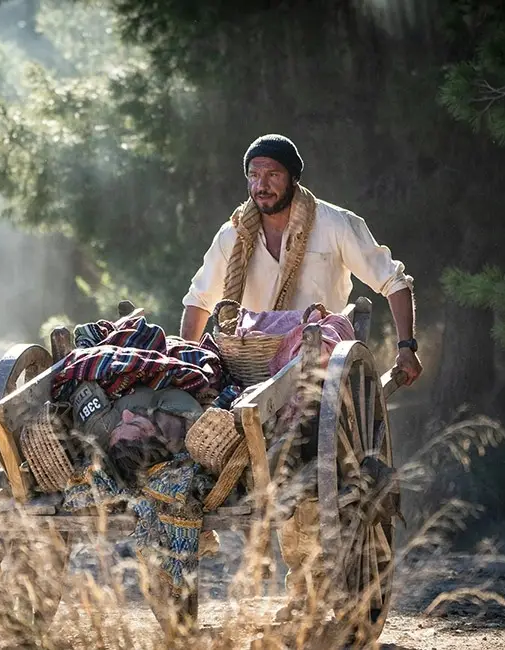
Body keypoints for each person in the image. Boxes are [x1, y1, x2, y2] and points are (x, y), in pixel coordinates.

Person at [178, 133, 423, 619]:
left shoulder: (335, 224)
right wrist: (186, 364)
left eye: (272, 174)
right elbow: (198, 300)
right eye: (254, 175)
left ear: (292, 177)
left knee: (308, 463)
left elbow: (393, 280)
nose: (261, 184)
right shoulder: (233, 234)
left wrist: (406, 347)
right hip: (249, 372)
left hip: (320, 371)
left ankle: (307, 593)